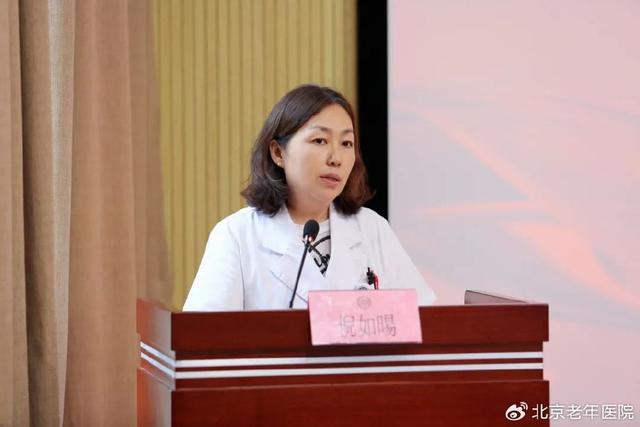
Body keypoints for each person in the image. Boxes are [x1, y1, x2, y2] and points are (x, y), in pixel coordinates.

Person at [183, 84, 436, 311]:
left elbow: (425, 321)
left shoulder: (373, 228)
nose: (335, 158)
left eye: (347, 143)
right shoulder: (237, 235)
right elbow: (203, 336)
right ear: (278, 153)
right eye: (320, 140)